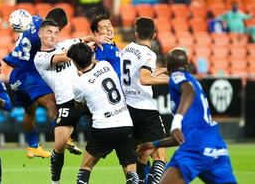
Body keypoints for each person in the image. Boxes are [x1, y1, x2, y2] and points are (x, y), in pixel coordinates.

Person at [137, 48, 237, 184]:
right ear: (188, 64)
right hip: (216, 146)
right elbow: (181, 138)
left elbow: (188, 91)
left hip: (195, 148)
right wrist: (155, 144)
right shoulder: (195, 81)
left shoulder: (177, 76)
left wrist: (177, 121)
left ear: (168, 66)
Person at [3, 8, 82, 158]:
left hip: (15, 76)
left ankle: (32, 147)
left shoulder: (34, 19)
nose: (54, 34)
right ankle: (66, 139)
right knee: (52, 104)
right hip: (28, 74)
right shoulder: (42, 36)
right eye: (57, 29)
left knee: (30, 111)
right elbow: (54, 56)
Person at [68, 42, 139, 184]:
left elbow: (79, 106)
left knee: (86, 167)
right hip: (125, 123)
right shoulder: (105, 65)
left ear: (75, 63)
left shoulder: (79, 84)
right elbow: (95, 62)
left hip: (103, 127)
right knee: (130, 168)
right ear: (91, 56)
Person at [34, 19, 89, 184]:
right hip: (67, 102)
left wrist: (95, 38)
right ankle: (55, 182)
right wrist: (78, 48)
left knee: (114, 130)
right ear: (40, 34)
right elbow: (66, 56)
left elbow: (84, 40)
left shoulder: (66, 43)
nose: (53, 36)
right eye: (49, 32)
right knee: (59, 147)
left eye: (56, 32)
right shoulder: (40, 58)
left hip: (87, 96)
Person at [120, 17, 169, 184]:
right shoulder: (148, 54)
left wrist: (164, 70)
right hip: (144, 108)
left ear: (136, 34)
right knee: (160, 154)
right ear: (154, 35)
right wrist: (172, 80)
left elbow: (137, 72)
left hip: (127, 108)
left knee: (141, 153)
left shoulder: (126, 49)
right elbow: (145, 78)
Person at [90, 8, 121, 79]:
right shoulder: (103, 47)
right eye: (104, 27)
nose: (109, 29)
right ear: (96, 33)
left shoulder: (111, 45)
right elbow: (98, 68)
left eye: (110, 25)